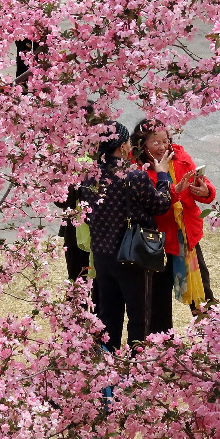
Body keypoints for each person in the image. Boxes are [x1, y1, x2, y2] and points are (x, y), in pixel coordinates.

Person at [80, 121, 173, 352]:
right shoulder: (133, 176)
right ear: (122, 146)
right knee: (138, 316)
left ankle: (107, 370)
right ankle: (134, 368)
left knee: (108, 315)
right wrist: (163, 177)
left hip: (102, 254)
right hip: (131, 254)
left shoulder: (89, 175)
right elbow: (161, 205)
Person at [131, 118, 217, 330]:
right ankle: (163, 347)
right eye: (155, 143)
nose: (162, 147)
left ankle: (219, 342)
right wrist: (173, 192)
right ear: (142, 145)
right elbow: (152, 207)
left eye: (165, 141)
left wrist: (206, 191)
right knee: (159, 300)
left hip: (187, 237)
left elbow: (202, 185)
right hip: (158, 242)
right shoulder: (137, 170)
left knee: (203, 293)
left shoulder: (180, 157)